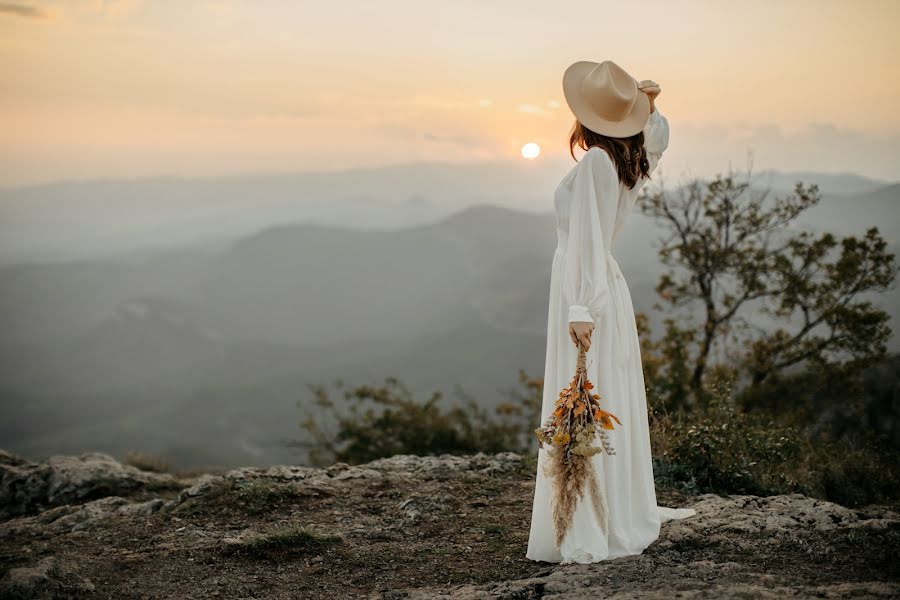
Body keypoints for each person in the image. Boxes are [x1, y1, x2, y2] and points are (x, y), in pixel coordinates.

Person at [526, 60, 696, 564]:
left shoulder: (599, 163)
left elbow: (586, 242)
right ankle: (608, 506)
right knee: (598, 393)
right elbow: (658, 139)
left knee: (584, 392)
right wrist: (651, 108)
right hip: (600, 284)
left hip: (587, 286)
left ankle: (589, 520)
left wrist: (581, 305)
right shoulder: (630, 160)